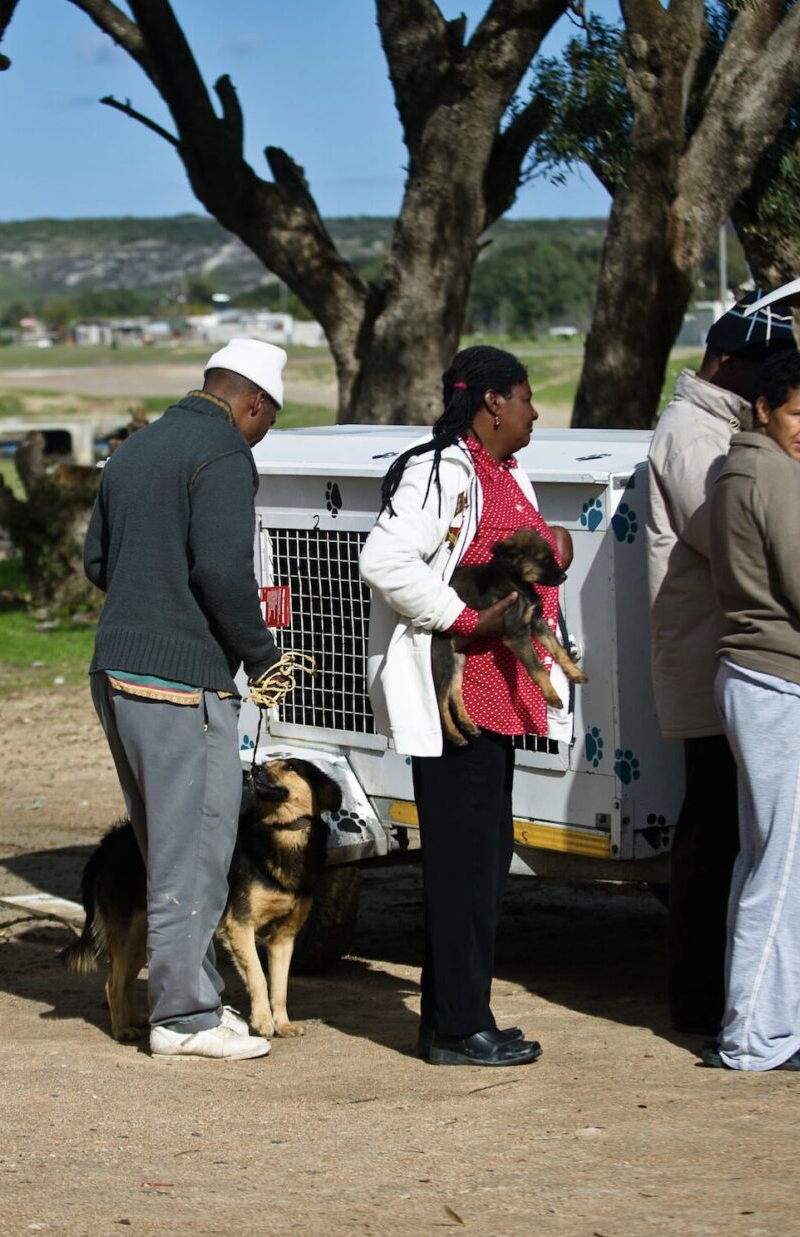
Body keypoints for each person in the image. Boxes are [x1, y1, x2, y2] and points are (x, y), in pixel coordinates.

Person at [360, 344, 571, 1068]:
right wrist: (460, 618)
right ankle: (455, 1026)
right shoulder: (441, 470)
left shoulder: (505, 471)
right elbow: (384, 560)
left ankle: (462, 1014)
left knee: (482, 862)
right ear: (490, 404)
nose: (534, 411)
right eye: (524, 397)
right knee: (460, 867)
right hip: (456, 702)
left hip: (497, 702)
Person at [82, 338, 289, 1062]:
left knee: (164, 844)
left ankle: (194, 994)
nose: (262, 432)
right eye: (267, 419)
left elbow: (98, 562)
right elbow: (222, 571)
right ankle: (185, 1017)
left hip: (115, 671)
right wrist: (263, 655)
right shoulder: (225, 452)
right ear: (253, 402)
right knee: (195, 854)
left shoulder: (134, 450)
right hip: (180, 682)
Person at [644, 295, 796, 1034]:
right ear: (729, 362)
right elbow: (729, 534)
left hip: (728, 649)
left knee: (730, 828)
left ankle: (722, 985)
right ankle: (699, 998)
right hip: (709, 651)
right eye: (765, 371)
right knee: (709, 835)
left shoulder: (724, 424)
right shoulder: (691, 432)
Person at [705, 350, 800, 1072]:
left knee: (766, 858)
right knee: (788, 868)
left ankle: (757, 1023)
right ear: (765, 408)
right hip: (786, 678)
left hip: (752, 671)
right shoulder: (775, 477)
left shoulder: (735, 469)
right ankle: (759, 1036)